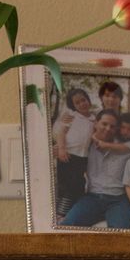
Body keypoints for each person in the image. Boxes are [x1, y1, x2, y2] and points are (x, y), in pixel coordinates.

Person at [58, 110, 130, 228]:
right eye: (104, 124)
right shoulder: (85, 145)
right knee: (67, 226)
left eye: (112, 126)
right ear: (96, 123)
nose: (108, 128)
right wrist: (59, 147)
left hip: (118, 199)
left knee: (123, 232)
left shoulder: (124, 148)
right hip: (92, 197)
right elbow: (62, 141)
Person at [52, 86, 95, 218]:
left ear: (88, 100)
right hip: (67, 154)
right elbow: (61, 133)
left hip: (82, 157)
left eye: (84, 100)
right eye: (77, 102)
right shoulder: (72, 116)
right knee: (65, 185)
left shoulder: (94, 119)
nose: (82, 104)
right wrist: (61, 148)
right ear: (73, 105)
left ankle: (72, 209)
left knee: (78, 184)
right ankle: (60, 212)